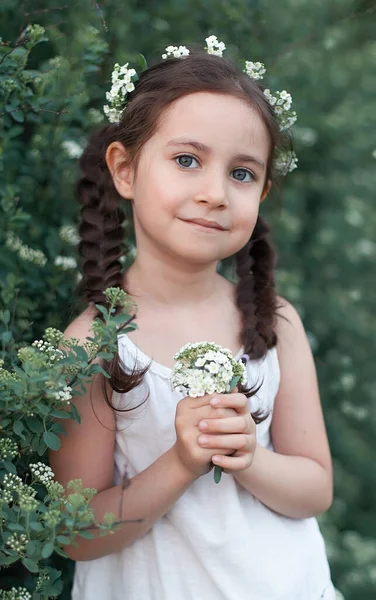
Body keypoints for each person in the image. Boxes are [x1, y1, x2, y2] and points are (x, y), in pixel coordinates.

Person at [50, 36, 336, 599]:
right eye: (187, 160)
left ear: (263, 192)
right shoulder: (89, 346)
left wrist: (248, 456)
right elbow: (75, 533)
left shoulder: (275, 323)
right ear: (125, 170)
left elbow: (315, 488)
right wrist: (181, 461)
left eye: (242, 173)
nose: (214, 193)